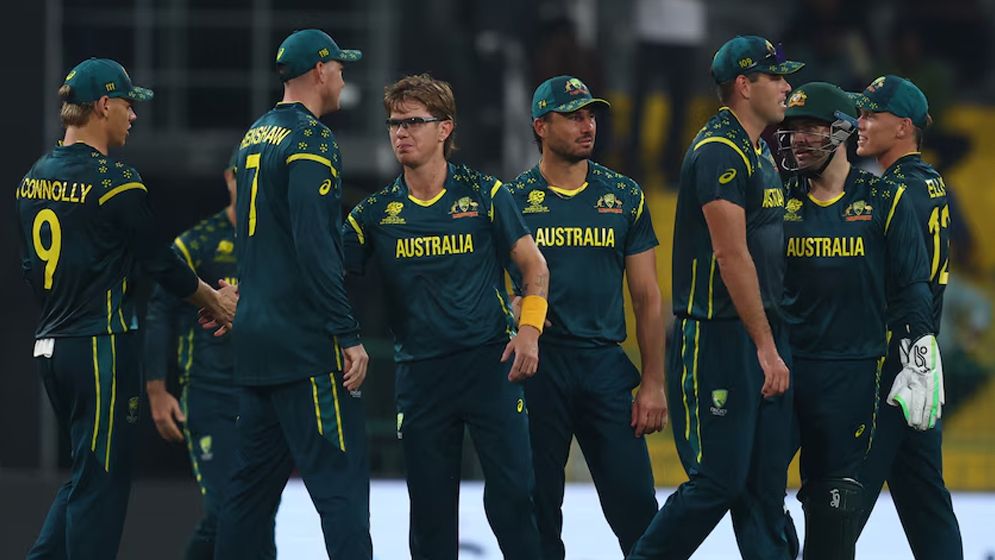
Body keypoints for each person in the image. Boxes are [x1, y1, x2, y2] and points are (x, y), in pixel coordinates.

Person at [15, 57, 235, 559]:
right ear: (103, 105)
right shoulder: (117, 181)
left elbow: (30, 268)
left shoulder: (33, 176)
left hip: (51, 347)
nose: (133, 115)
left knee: (85, 476)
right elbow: (160, 262)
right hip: (101, 347)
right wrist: (215, 301)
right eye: (128, 104)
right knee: (103, 486)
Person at [341, 73, 548, 560]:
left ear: (445, 128)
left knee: (515, 500)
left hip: (490, 366)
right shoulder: (373, 214)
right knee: (431, 518)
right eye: (394, 123)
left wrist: (530, 331)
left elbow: (534, 266)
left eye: (414, 121)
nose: (401, 132)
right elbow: (328, 275)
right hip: (421, 375)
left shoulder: (485, 194)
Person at [629, 35, 803, 560]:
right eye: (775, 77)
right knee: (718, 480)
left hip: (761, 331)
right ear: (745, 85)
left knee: (764, 485)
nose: (786, 86)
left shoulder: (758, 149)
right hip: (718, 336)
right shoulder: (719, 151)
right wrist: (766, 347)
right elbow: (731, 256)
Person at [213, 29, 372, 559]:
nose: (343, 78)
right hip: (304, 343)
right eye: (340, 68)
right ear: (320, 71)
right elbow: (314, 245)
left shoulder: (253, 135)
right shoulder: (311, 140)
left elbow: (262, 239)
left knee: (249, 495)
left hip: (255, 339)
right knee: (341, 487)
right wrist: (346, 332)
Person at [504, 75, 665, 559]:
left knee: (638, 509)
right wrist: (511, 303)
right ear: (540, 125)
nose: (587, 125)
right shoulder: (512, 198)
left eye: (590, 115)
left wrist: (653, 383)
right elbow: (483, 280)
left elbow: (647, 297)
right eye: (573, 116)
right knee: (538, 509)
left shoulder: (624, 195)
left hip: (603, 365)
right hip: (538, 366)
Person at [774, 81, 933, 559]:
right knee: (753, 485)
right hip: (784, 370)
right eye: (792, 129)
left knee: (834, 506)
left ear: (841, 131)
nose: (798, 139)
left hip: (853, 375)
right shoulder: (776, 198)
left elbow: (912, 289)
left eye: (810, 128)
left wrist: (919, 359)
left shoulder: (886, 199)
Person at [144, 150, 277, 560]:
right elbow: (159, 312)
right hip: (210, 393)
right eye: (241, 176)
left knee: (259, 515)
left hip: (266, 393)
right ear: (228, 179)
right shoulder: (196, 242)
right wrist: (157, 391)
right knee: (225, 511)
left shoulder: (279, 243)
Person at [852, 74, 963, 558]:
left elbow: (896, 283)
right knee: (925, 500)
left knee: (844, 499)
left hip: (889, 365)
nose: (860, 123)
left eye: (871, 115)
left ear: (903, 127)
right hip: (920, 360)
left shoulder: (896, 192)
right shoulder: (931, 183)